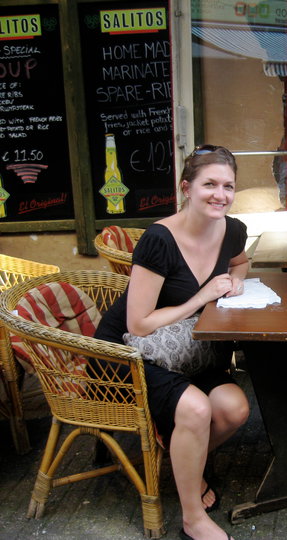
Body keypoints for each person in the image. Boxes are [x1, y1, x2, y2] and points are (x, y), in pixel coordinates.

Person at [95, 144, 249, 540]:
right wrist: (201, 297)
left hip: (184, 350)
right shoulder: (159, 240)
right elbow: (139, 323)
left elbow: (241, 262)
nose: (220, 195)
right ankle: (192, 518)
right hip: (126, 353)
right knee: (197, 409)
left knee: (235, 409)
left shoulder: (232, 229)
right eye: (209, 184)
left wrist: (235, 282)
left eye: (228, 186)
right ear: (186, 188)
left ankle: (184, 459)